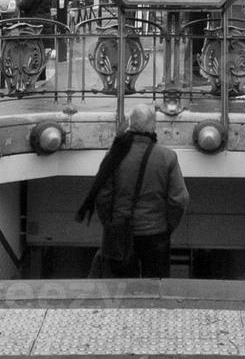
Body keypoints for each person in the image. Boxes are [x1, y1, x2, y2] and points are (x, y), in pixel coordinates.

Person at [75, 104, 188, 278]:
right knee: (155, 287)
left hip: (120, 233)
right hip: (155, 233)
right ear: (153, 126)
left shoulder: (114, 155)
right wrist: (167, 227)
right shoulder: (167, 157)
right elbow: (179, 200)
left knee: (122, 287)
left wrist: (111, 224)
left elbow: (103, 197)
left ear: (131, 124)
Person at [18, 0, 55, 84]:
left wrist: (19, 0)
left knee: (33, 49)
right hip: (46, 22)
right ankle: (42, 73)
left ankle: (35, 74)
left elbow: (24, 5)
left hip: (34, 23)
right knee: (42, 49)